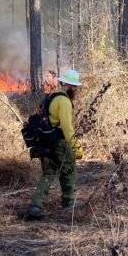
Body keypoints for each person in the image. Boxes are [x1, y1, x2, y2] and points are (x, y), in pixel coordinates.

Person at [27, 69, 84, 220]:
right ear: (68, 85)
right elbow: (66, 127)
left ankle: (35, 205)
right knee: (68, 170)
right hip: (59, 143)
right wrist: (75, 146)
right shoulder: (64, 101)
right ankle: (69, 204)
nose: (76, 89)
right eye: (74, 86)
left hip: (46, 142)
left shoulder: (51, 96)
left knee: (48, 173)